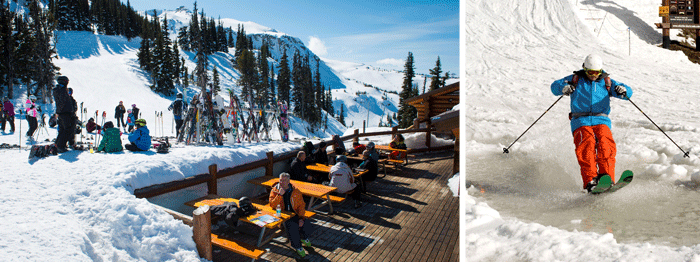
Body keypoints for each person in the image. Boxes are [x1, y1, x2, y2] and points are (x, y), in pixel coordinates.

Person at [551, 54, 632, 192]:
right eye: (590, 72)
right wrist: (563, 88)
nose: (593, 75)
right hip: (580, 120)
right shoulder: (576, 79)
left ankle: (607, 177)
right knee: (586, 146)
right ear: (584, 69)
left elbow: (627, 92)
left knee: (606, 144)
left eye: (596, 72)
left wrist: (623, 91)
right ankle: (590, 181)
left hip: (601, 119)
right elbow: (554, 87)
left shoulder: (606, 81)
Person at [269, 173, 313, 258]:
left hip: (294, 214)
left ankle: (303, 237)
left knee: (307, 224)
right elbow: (272, 205)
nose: (282, 182)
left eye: (284, 180)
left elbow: (301, 205)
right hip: (282, 215)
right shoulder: (275, 190)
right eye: (280, 180)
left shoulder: (295, 191)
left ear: (289, 181)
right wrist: (279, 195)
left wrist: (301, 218)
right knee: (292, 227)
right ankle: (298, 246)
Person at [53, 76, 75, 152]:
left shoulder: (58, 90)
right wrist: (60, 111)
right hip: (65, 112)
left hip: (63, 112)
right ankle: (60, 146)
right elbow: (62, 102)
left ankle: (57, 144)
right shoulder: (62, 90)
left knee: (62, 129)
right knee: (67, 130)